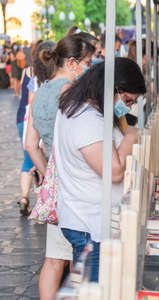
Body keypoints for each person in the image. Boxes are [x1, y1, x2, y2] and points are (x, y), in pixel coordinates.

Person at [55, 57, 146, 282]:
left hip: (92, 221)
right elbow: (113, 171)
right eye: (127, 99)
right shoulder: (86, 118)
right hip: (89, 224)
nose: (128, 106)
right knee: (93, 289)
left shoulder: (86, 110)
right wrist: (132, 136)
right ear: (113, 88)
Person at [25, 35, 95, 300]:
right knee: (79, 258)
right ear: (73, 62)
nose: (90, 67)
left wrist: (47, 173)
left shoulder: (40, 92)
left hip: (55, 183)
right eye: (88, 61)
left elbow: (31, 144)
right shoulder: (72, 91)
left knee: (53, 258)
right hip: (76, 180)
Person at [15, 41, 41, 216]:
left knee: (27, 158)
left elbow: (21, 96)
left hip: (21, 119)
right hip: (35, 119)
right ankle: (41, 203)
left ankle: (24, 198)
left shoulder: (27, 71)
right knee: (39, 158)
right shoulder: (48, 74)